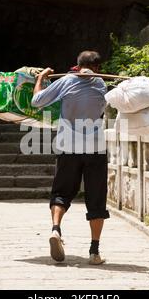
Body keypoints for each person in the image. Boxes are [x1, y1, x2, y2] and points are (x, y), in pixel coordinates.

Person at [32, 51, 110, 265]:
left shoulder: (66, 81)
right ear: (97, 68)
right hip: (95, 148)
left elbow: (37, 101)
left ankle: (56, 230)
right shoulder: (101, 84)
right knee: (96, 198)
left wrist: (41, 79)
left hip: (68, 147)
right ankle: (94, 252)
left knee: (61, 193)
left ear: (77, 65)